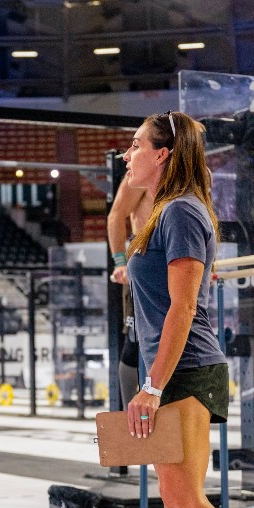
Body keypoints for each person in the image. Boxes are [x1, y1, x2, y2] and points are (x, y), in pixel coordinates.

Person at [123, 111, 228, 508]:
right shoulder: (167, 211)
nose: (127, 155)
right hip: (175, 370)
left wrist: (152, 387)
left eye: (136, 146)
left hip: (186, 369)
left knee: (185, 503)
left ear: (162, 154)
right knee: (177, 502)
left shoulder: (181, 211)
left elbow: (184, 307)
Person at [108, 167, 153, 409]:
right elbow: (116, 215)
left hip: (177, 256)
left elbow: (205, 218)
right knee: (135, 341)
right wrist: (120, 263)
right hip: (144, 256)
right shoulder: (144, 172)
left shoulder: (198, 172)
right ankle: (128, 413)